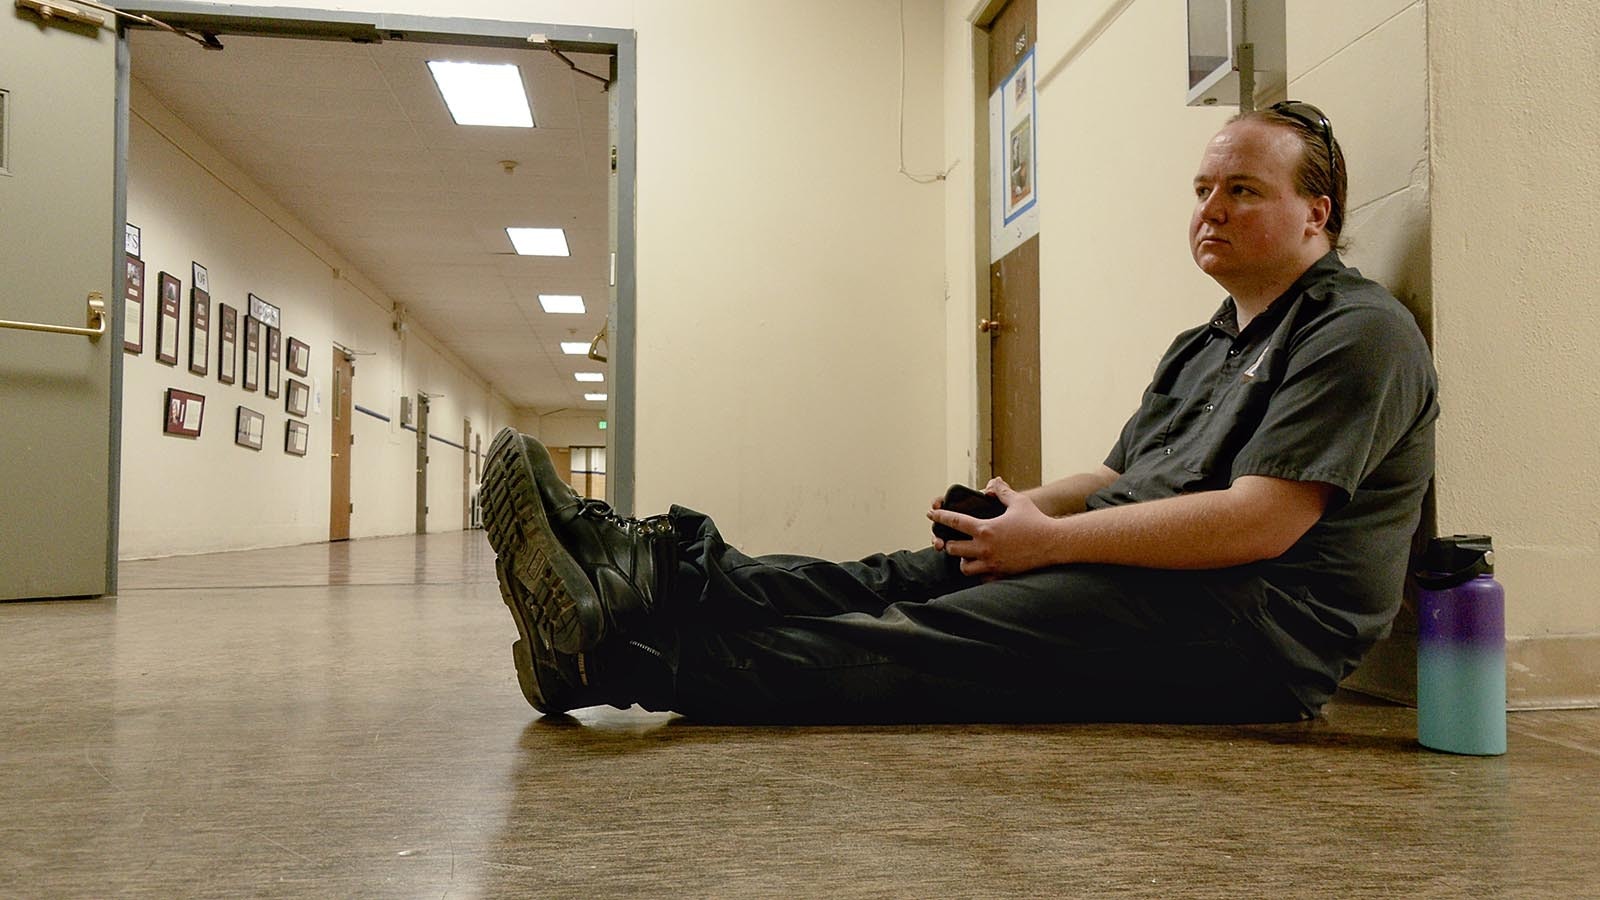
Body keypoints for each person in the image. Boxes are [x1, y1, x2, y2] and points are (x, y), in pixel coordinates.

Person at [481, 102, 1438, 725]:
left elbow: (1261, 521)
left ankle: (623, 655)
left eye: (1242, 191)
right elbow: (1118, 479)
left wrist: (1049, 547)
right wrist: (1019, 513)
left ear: (1317, 214)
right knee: (910, 572)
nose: (1210, 212)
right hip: (1161, 572)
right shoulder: (1208, 341)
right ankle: (642, 571)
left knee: (924, 636)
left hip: (1262, 631)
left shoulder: (1358, 332)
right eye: (1201, 192)